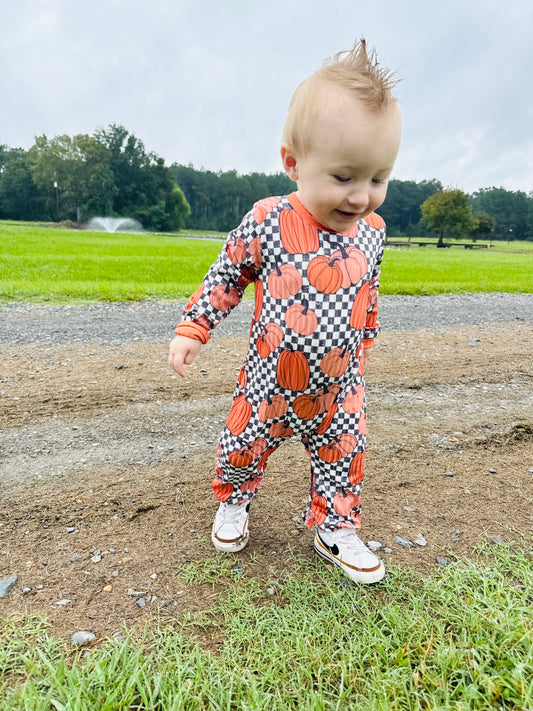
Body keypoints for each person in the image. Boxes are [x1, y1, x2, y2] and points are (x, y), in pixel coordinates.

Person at [168, 39, 402, 584]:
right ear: (293, 163)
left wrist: (364, 337)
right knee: (242, 444)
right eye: (344, 177)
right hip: (269, 381)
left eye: (378, 178)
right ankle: (234, 500)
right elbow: (228, 272)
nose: (362, 196)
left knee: (346, 453)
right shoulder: (269, 219)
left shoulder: (373, 232)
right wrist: (195, 326)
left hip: (339, 386)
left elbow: (367, 292)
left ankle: (335, 525)